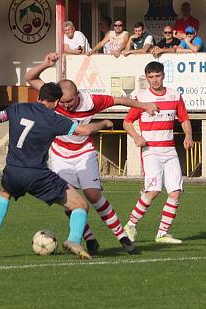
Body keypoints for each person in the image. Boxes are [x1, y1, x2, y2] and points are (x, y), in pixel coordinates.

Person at [0, 81, 114, 260]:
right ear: (55, 103)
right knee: (81, 205)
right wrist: (103, 123)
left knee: (4, 193)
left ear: (38, 97)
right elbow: (84, 130)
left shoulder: (16, 108)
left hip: (13, 171)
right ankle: (74, 240)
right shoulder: (54, 119)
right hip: (37, 174)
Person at [25, 52, 159, 255]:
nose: (66, 105)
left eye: (70, 101)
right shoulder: (56, 99)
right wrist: (45, 63)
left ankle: (122, 237)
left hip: (84, 151)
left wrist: (145, 106)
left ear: (78, 95)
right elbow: (30, 79)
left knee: (93, 194)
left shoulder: (92, 101)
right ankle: (89, 240)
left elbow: (119, 100)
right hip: (60, 154)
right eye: (63, 102)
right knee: (69, 200)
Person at [123, 61, 193, 244]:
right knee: (153, 190)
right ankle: (130, 224)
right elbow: (127, 122)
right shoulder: (141, 97)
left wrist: (188, 136)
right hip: (151, 150)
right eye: (151, 77)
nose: (155, 80)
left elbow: (184, 118)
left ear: (163, 75)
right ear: (147, 78)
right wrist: (136, 137)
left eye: (158, 76)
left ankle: (162, 233)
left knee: (176, 191)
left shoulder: (175, 95)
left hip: (169, 150)